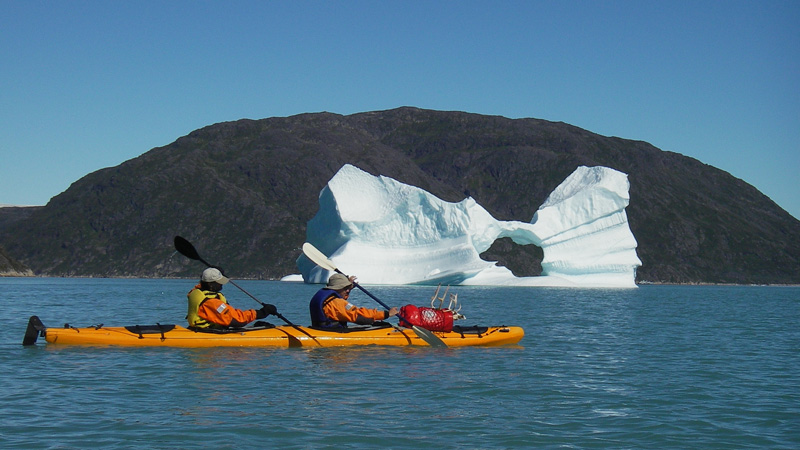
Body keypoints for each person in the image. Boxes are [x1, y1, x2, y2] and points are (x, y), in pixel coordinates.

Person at [186, 267, 277, 329]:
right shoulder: (211, 302)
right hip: (207, 332)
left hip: (202, 328)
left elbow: (202, 283)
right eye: (219, 282)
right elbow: (237, 320)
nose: (221, 284)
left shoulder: (196, 292)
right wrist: (261, 313)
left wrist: (214, 272)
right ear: (210, 284)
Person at [309, 273, 398, 328]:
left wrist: (348, 288)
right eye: (345, 288)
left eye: (348, 288)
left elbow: (340, 300)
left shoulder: (326, 296)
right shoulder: (337, 303)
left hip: (319, 328)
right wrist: (385, 314)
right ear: (337, 288)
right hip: (332, 333)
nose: (347, 290)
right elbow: (358, 314)